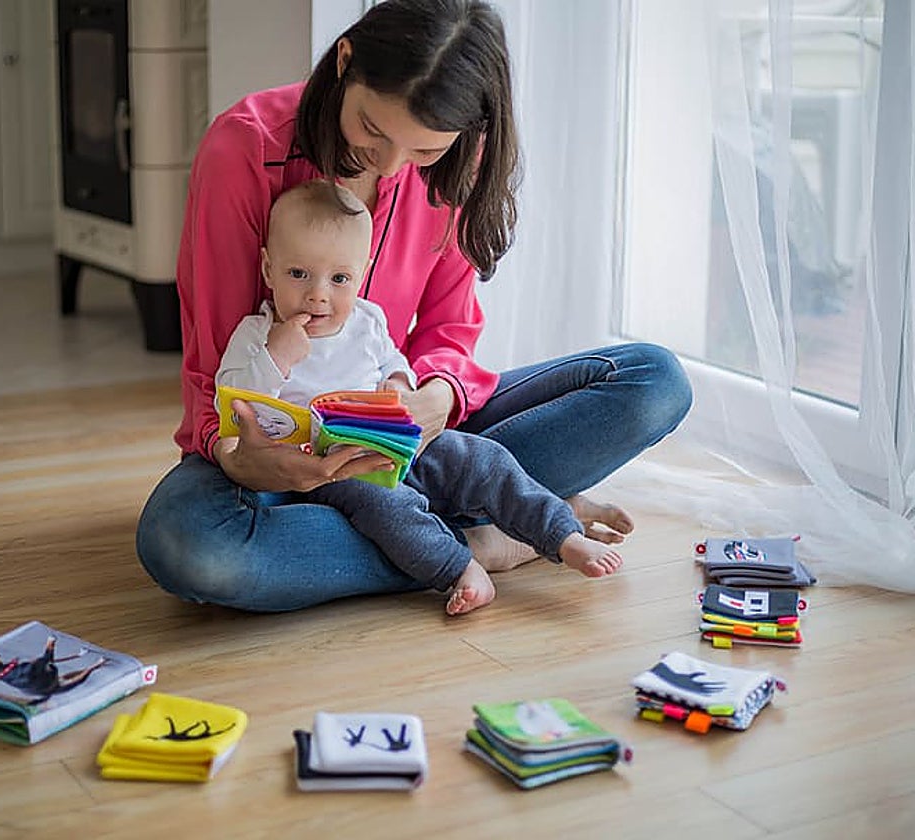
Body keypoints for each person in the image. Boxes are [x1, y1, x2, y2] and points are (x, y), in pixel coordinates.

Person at [136, 0, 692, 613]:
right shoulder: (244, 148)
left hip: (407, 439)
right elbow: (215, 364)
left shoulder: (457, 159)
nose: (392, 164)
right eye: (373, 129)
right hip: (277, 458)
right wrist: (244, 461)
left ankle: (442, 527)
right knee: (189, 546)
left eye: (423, 151)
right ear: (345, 61)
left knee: (654, 381)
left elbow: (449, 328)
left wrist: (434, 398)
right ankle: (487, 537)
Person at [218, 179, 624, 616]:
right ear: (268, 269)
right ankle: (459, 567)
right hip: (335, 470)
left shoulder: (367, 321)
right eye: (298, 274)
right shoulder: (256, 334)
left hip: (398, 443)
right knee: (389, 506)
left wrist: (399, 384)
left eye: (339, 279)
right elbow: (235, 403)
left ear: (361, 274)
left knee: (482, 459)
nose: (319, 293)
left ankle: (563, 535)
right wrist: (276, 357)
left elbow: (393, 360)